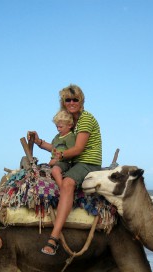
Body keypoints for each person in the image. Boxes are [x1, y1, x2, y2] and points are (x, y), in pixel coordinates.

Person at [27, 84, 102, 255]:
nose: (71, 102)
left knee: (67, 183)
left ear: (81, 101)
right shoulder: (69, 122)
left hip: (87, 162)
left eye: (75, 99)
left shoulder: (85, 119)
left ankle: (53, 239)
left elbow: (77, 150)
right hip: (72, 162)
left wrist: (57, 158)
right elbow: (58, 147)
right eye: (67, 99)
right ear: (63, 102)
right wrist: (38, 142)